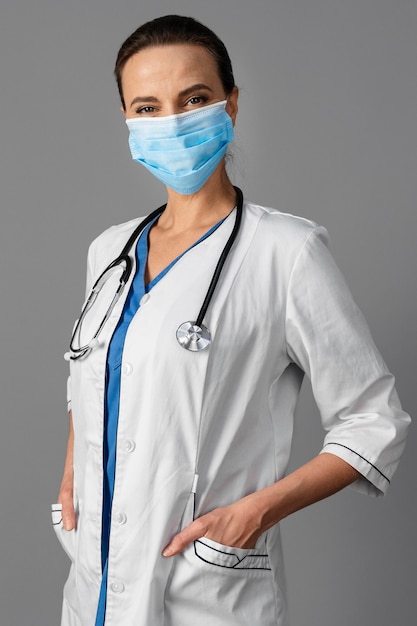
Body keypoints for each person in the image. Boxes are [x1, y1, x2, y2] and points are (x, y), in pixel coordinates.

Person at [53, 14, 410, 626]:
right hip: (96, 579)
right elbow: (103, 373)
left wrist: (258, 513)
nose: (171, 122)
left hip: (206, 590)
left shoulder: (286, 254)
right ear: (129, 124)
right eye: (147, 107)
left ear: (231, 103)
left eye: (193, 99)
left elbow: (374, 421)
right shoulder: (108, 251)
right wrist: (71, 478)